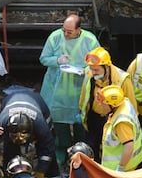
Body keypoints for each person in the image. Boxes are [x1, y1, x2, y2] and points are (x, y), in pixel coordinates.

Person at [39, 14, 100, 165]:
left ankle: (79, 149)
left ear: (79, 29)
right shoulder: (55, 37)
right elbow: (43, 58)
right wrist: (57, 60)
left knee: (80, 121)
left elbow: (99, 61)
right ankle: (62, 148)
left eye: (69, 31)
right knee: (59, 122)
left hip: (79, 90)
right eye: (64, 30)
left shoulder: (90, 40)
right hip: (57, 90)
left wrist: (85, 70)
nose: (65, 34)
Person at [79, 47, 137, 163]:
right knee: (92, 149)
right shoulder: (89, 73)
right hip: (93, 118)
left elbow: (132, 107)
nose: (92, 72)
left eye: (96, 70)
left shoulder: (122, 79)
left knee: (109, 150)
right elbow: (84, 95)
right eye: (91, 69)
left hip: (113, 121)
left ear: (106, 67)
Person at [0, 87, 59, 178]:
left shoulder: (41, 125)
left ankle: (52, 175)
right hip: (11, 100)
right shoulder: (1, 122)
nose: (20, 139)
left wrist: (41, 171)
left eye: (23, 136)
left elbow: (48, 146)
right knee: (10, 149)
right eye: (15, 136)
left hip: (37, 102)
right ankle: (9, 175)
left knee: (46, 149)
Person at [97, 85, 142, 171]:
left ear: (112, 105)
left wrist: (121, 167)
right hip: (132, 163)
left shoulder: (121, 123)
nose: (101, 106)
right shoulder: (125, 103)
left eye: (103, 104)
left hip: (125, 168)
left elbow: (129, 146)